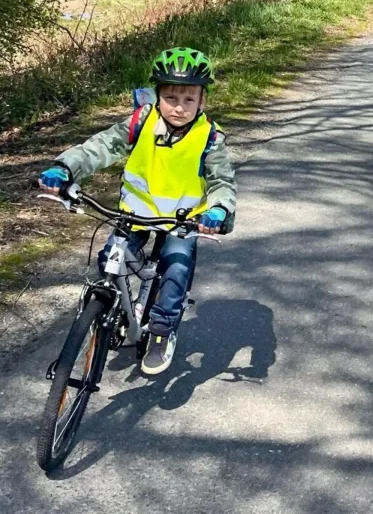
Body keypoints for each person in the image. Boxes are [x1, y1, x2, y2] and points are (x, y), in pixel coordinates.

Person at [38, 48, 237, 375]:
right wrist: (65, 168)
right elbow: (98, 148)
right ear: (156, 96)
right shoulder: (141, 121)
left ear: (202, 101)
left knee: (175, 271)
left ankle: (161, 331)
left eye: (189, 100)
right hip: (134, 213)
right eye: (170, 97)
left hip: (182, 222)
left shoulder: (209, 139)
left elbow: (222, 182)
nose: (178, 107)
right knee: (109, 261)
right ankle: (118, 311)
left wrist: (217, 211)